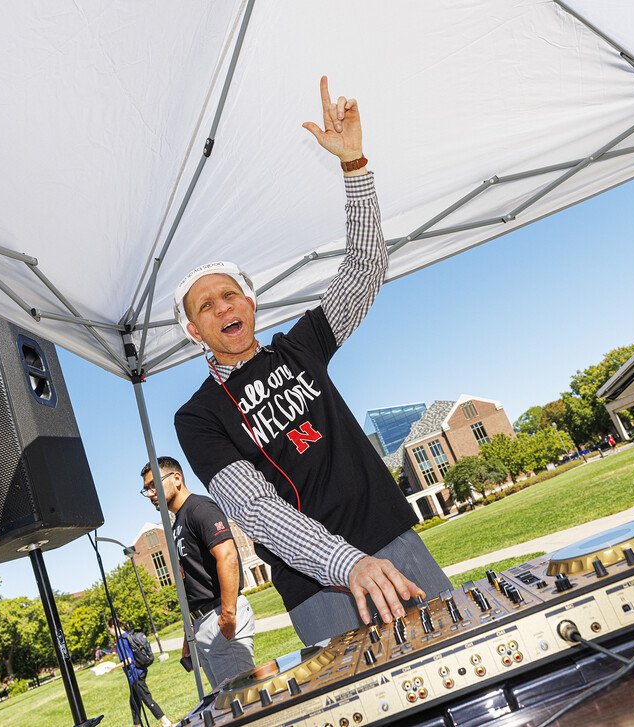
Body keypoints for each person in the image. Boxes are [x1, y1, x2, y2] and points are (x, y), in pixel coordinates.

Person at [173, 75, 451, 645]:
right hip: (316, 585)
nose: (223, 307)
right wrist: (346, 564)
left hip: (392, 540)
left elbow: (365, 269)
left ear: (249, 304)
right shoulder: (197, 416)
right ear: (194, 330)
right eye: (206, 306)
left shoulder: (300, 346)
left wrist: (355, 167)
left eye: (230, 295)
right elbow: (251, 509)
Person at [142, 456, 256, 688]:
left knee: (243, 701)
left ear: (177, 478)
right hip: (202, 623)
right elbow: (193, 582)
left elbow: (228, 556)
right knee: (226, 706)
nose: (150, 493)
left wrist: (228, 615)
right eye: (146, 489)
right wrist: (190, 633)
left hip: (220, 617)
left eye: (154, 485)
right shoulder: (178, 522)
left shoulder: (199, 508)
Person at [107, 618, 172, 727]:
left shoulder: (121, 641)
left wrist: (113, 668)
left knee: (146, 698)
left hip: (135, 674)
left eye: (110, 630)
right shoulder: (127, 635)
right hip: (139, 670)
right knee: (134, 701)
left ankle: (165, 721)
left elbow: (128, 660)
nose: (110, 633)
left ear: (113, 627)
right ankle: (137, 725)